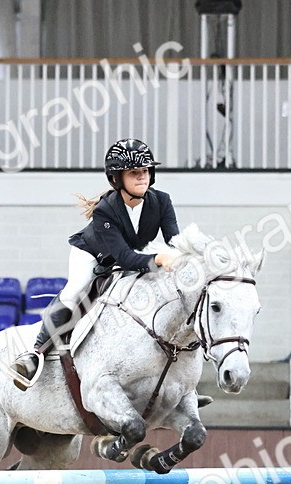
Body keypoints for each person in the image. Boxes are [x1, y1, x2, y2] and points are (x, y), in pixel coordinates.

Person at [10, 138, 180, 390]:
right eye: (134, 172)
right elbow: (124, 258)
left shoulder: (162, 201)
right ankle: (36, 353)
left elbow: (174, 242)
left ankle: (179, 383)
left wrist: (182, 257)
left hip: (132, 255)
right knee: (76, 288)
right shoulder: (106, 210)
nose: (142, 177)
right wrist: (158, 258)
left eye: (145, 171)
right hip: (91, 254)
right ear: (116, 179)